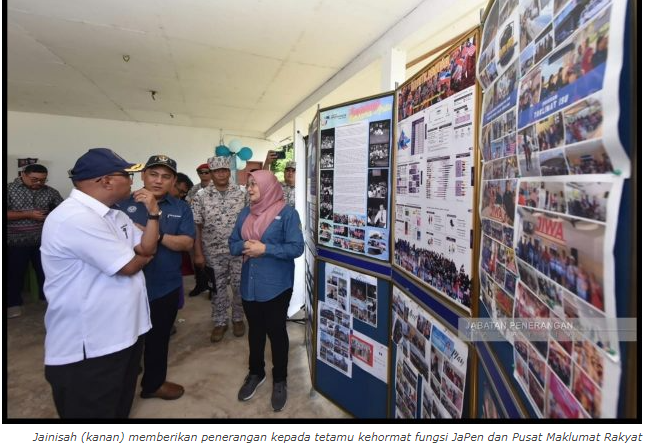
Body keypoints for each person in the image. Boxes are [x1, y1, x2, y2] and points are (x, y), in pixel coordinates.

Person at [40, 148, 157, 418]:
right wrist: (143, 256)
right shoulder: (76, 218)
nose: (132, 182)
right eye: (127, 175)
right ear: (106, 181)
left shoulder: (115, 215)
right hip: (92, 347)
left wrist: (153, 216)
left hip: (123, 334)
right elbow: (129, 266)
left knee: (118, 409)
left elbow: (145, 247)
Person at [116, 154, 195, 401]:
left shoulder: (181, 208)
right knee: (125, 340)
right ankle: (121, 387)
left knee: (159, 338)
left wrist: (156, 235)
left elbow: (187, 243)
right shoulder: (121, 205)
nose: (159, 181)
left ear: (173, 181)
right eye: (153, 174)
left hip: (164, 285)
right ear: (143, 176)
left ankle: (153, 384)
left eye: (166, 176)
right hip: (124, 285)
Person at [229, 170, 304, 412]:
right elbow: (232, 244)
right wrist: (245, 245)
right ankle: (256, 372)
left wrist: (265, 249)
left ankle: (280, 379)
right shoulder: (245, 213)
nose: (249, 188)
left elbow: (296, 248)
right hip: (249, 284)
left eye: (254, 184)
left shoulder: (287, 213)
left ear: (269, 187)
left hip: (276, 286)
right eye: (248, 184)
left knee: (276, 332)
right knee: (255, 331)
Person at [192, 156, 248, 343]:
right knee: (217, 288)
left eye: (224, 170)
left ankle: (238, 318)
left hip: (238, 250)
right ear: (211, 173)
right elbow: (196, 226)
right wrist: (198, 253)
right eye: (217, 171)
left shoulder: (242, 193)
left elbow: (252, 219)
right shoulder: (201, 196)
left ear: (229, 171)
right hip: (213, 252)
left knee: (239, 286)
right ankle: (220, 321)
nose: (221, 174)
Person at [7, 163, 63, 318]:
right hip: (15, 241)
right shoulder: (8, 189)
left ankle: (47, 299)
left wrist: (51, 216)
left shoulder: (50, 192)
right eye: (34, 179)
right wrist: (28, 214)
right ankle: (13, 303)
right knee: (14, 273)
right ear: (23, 175)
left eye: (43, 180)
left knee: (48, 272)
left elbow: (63, 211)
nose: (39, 183)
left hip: (44, 241)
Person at [187, 163, 212, 297]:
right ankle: (200, 284)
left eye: (206, 172)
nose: (203, 174)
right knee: (196, 258)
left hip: (211, 229)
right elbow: (188, 204)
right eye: (200, 172)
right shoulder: (194, 189)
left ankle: (212, 287)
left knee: (211, 261)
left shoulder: (216, 188)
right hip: (196, 227)